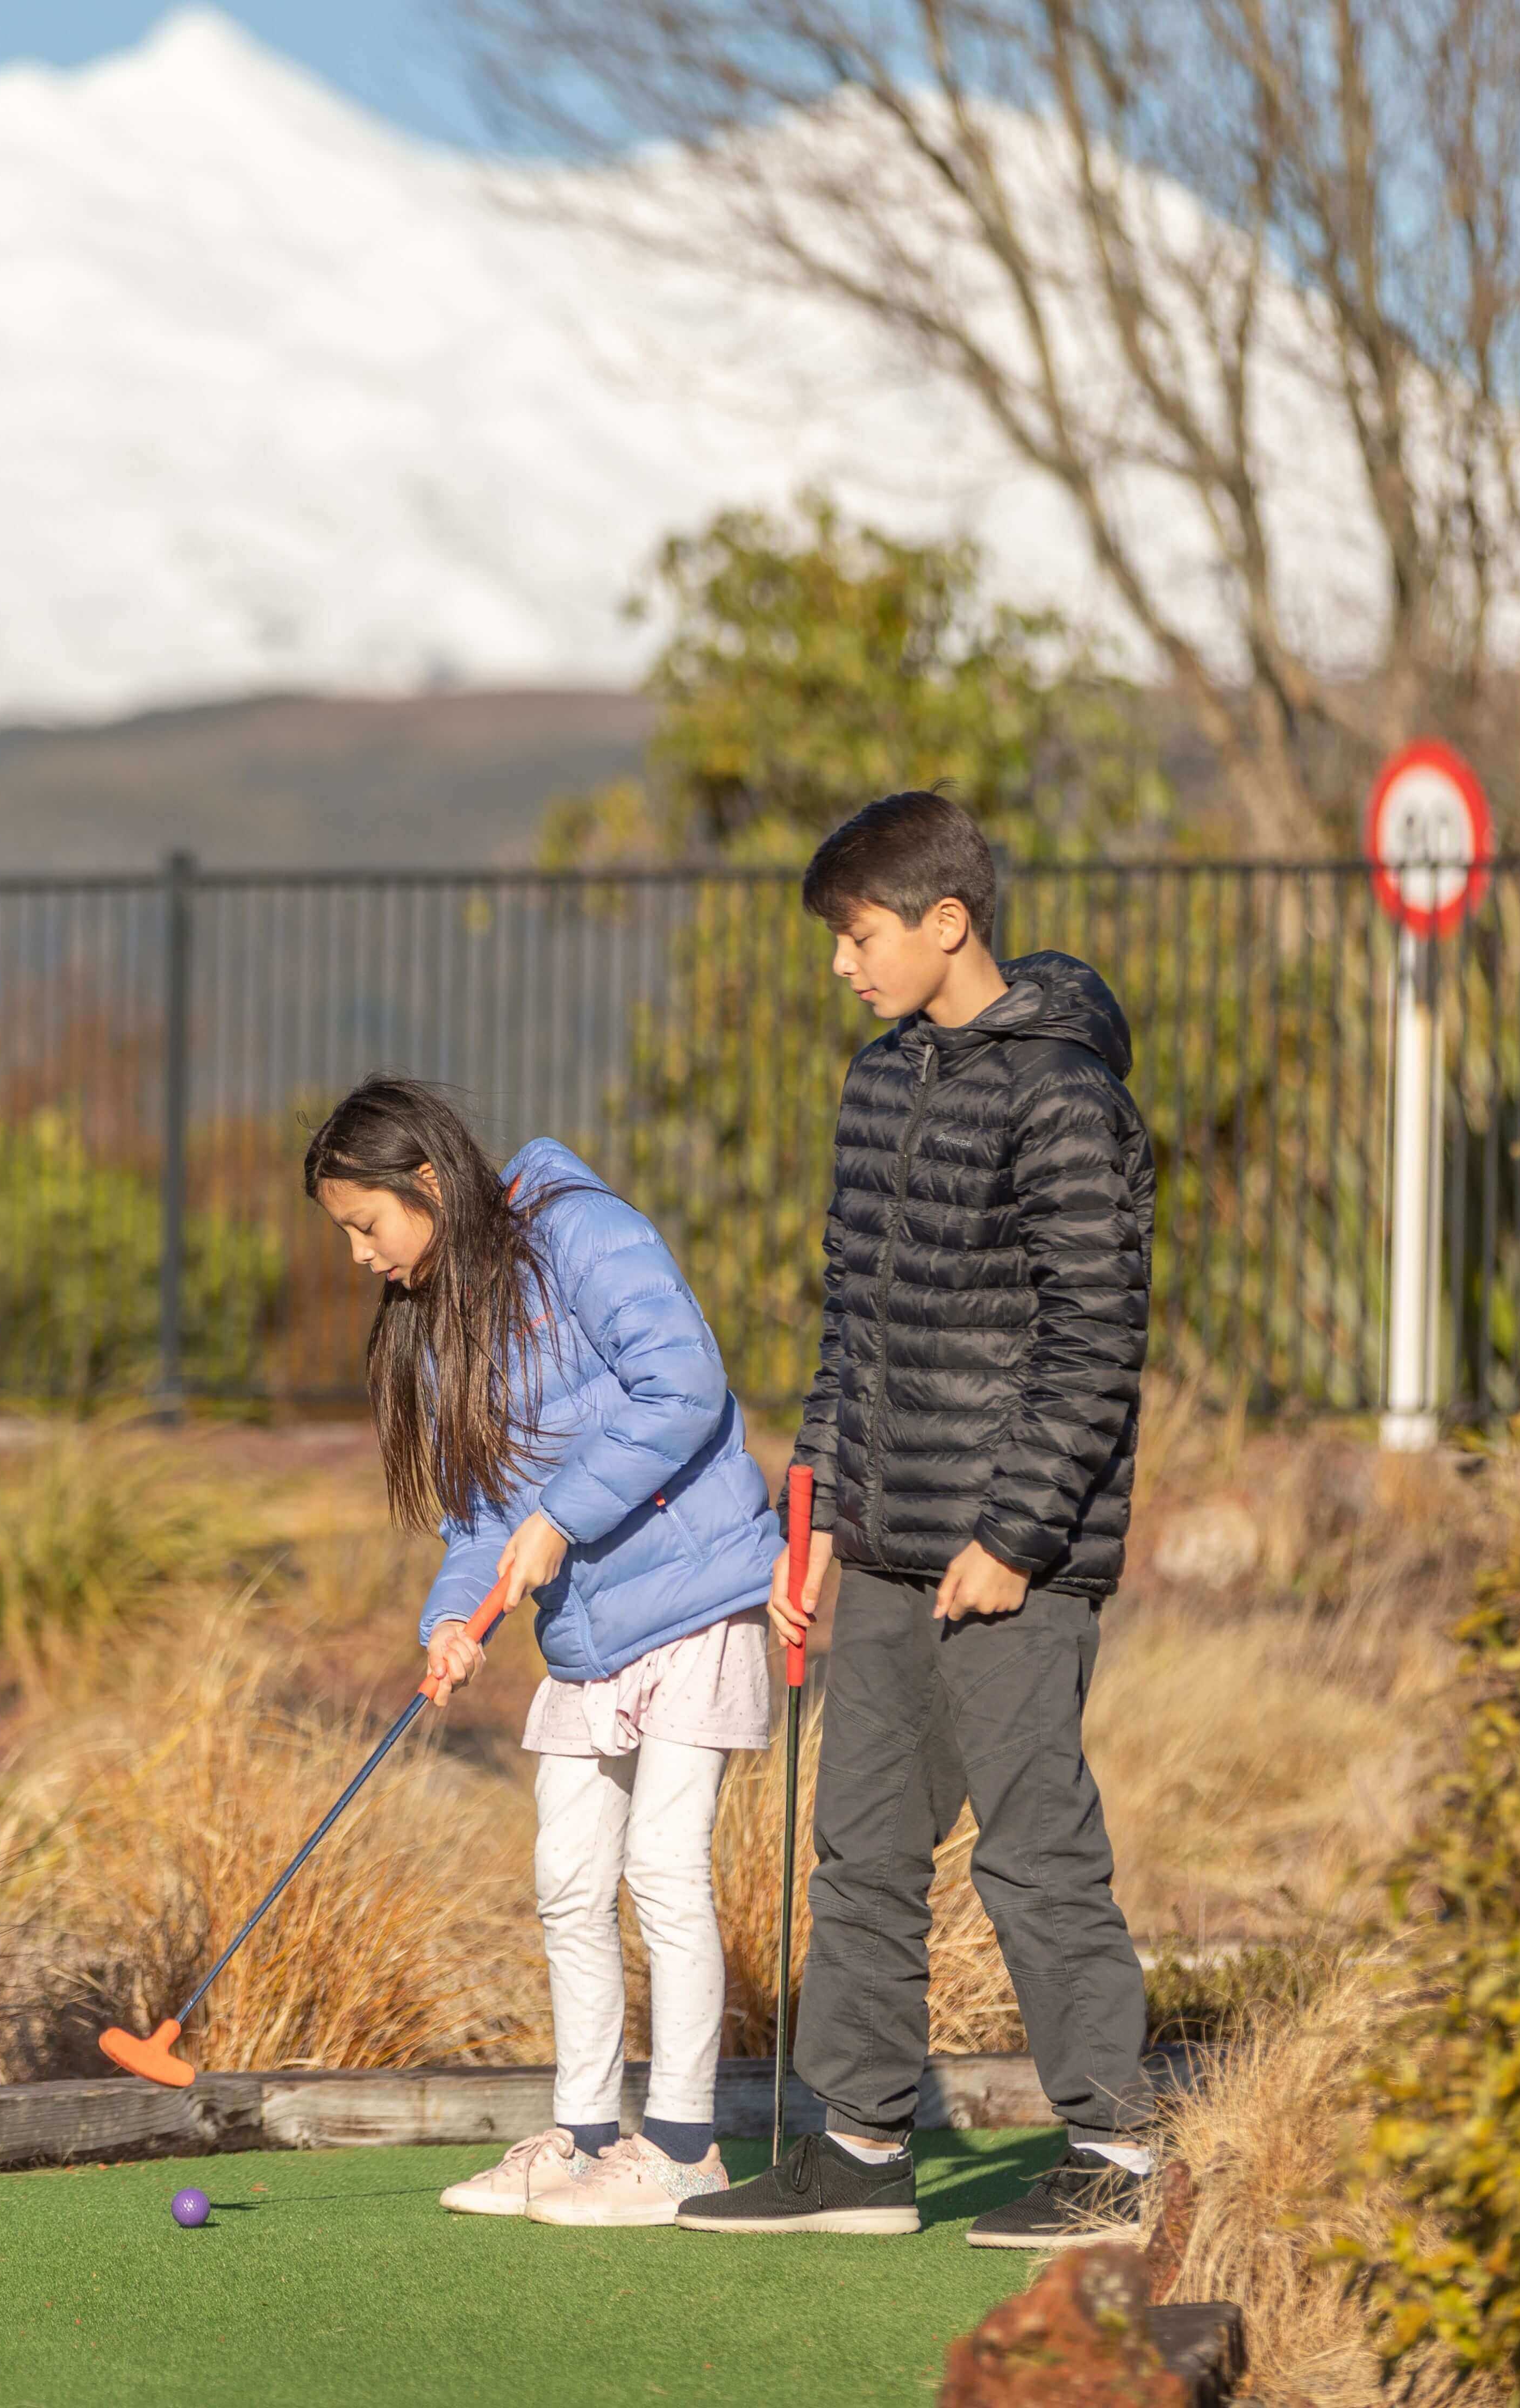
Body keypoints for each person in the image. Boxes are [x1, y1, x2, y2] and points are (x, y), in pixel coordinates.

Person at [677, 789, 1158, 2245]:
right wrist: (810, 1508)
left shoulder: (1069, 1094)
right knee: (861, 1848)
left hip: (1016, 1563)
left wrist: (1013, 1540)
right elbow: (852, 1322)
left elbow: (1094, 1342)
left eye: (862, 934)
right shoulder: (881, 1083)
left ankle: (1124, 2158)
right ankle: (861, 2154)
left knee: (1031, 1849)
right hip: (875, 1539)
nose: (844, 962)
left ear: (949, 925)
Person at [303, 1076, 782, 2228]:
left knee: (664, 1869)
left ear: (426, 1182)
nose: (363, 1255)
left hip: (698, 1596)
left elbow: (683, 1384)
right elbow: (482, 1519)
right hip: (589, 1638)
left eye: (368, 1225)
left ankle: (681, 2145)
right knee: (569, 1882)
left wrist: (559, 1517)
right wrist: (454, 1620)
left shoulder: (581, 1231)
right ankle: (580, 2136)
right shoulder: (437, 1324)